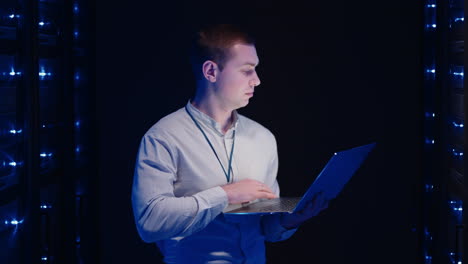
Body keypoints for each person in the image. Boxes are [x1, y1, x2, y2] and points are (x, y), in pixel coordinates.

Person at [131, 24, 329, 264]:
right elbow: (149, 223)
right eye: (247, 70)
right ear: (211, 72)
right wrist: (225, 195)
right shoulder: (164, 136)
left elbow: (264, 227)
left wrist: (291, 219)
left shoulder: (262, 137)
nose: (256, 80)